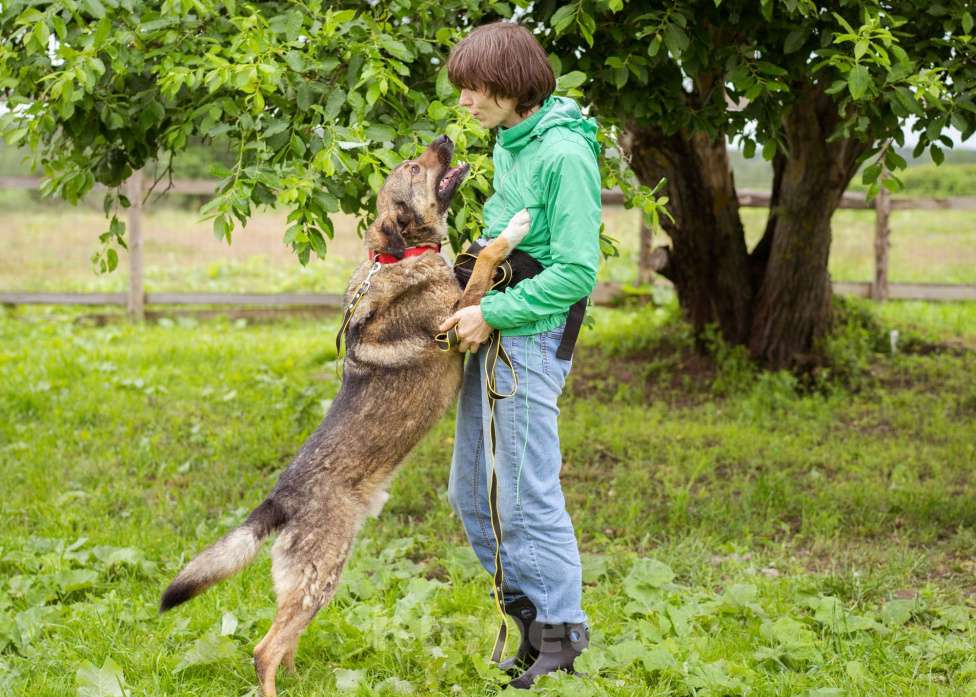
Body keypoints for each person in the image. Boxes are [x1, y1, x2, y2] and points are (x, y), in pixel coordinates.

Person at [437, 20, 602, 689]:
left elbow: (576, 272)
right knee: (471, 490)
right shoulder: (511, 141)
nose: (466, 103)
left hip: (531, 336)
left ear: (510, 85)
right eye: (462, 90)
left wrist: (494, 311)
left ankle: (563, 631)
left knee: (526, 496)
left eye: (476, 89)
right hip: (496, 326)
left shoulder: (564, 155)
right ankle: (529, 616)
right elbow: (501, 232)